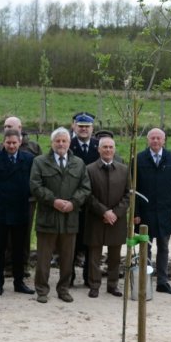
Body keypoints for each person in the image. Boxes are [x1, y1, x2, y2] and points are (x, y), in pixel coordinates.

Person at [29, 127, 92, 303]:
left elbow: (85, 187)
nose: (61, 144)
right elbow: (35, 185)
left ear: (69, 143)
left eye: (64, 141)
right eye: (58, 141)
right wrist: (53, 201)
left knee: (67, 258)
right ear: (52, 143)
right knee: (44, 258)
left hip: (69, 218)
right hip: (47, 217)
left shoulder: (78, 163)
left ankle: (63, 289)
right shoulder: (40, 162)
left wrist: (73, 202)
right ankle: (42, 290)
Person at [0, 128, 36, 296]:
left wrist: (25, 196)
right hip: (1, 210)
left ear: (20, 142)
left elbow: (33, 182)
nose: (11, 146)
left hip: (21, 209)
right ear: (3, 143)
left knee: (19, 249)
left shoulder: (28, 159)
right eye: (8, 143)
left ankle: (19, 282)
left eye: (14, 143)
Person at [134, 128, 171, 295]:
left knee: (163, 247)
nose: (155, 141)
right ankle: (144, 280)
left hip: (166, 212)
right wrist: (135, 213)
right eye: (152, 138)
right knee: (145, 247)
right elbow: (134, 190)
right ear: (148, 140)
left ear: (164, 140)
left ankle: (162, 281)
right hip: (145, 212)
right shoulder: (139, 159)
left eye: (158, 138)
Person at [85, 135, 129, 299]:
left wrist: (115, 213)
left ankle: (113, 285)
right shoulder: (89, 169)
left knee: (115, 256)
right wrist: (104, 212)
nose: (108, 150)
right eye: (105, 147)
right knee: (94, 255)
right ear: (99, 149)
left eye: (111, 147)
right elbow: (87, 195)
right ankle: (94, 285)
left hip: (117, 220)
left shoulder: (123, 169)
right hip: (96, 218)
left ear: (114, 149)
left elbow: (127, 195)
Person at [69, 113, 100, 284]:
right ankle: (70, 275)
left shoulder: (98, 146)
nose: (83, 129)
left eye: (87, 126)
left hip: (93, 202)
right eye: (80, 126)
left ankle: (89, 276)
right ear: (74, 126)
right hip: (73, 201)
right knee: (72, 242)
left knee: (91, 241)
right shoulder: (68, 144)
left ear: (92, 129)